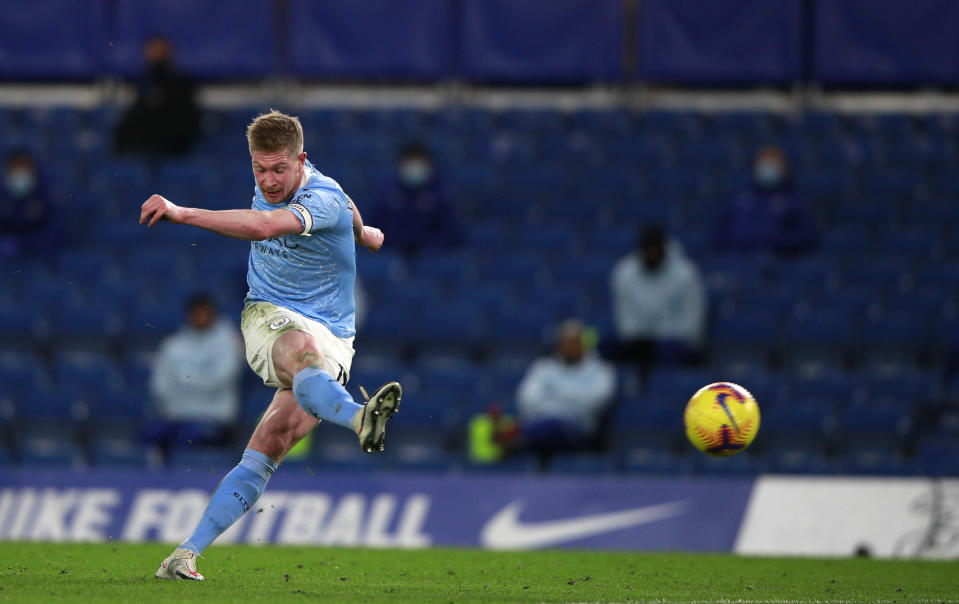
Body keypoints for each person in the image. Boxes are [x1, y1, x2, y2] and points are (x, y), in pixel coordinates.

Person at [139, 110, 401, 580]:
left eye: (279, 169)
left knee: (269, 446)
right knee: (300, 352)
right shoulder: (299, 183)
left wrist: (181, 212)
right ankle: (360, 418)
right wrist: (364, 233)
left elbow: (269, 225)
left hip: (336, 338)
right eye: (259, 170)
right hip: (268, 313)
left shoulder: (321, 197)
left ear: (302, 161)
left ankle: (183, 554)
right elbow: (344, 201)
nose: (269, 180)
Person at [146, 294, 244, 462]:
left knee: (192, 437)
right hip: (176, 418)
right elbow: (160, 387)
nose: (200, 317)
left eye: (204, 312)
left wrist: (183, 383)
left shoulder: (229, 343)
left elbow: (218, 381)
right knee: (149, 433)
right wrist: (195, 384)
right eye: (196, 313)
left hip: (215, 420)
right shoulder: (173, 345)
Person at [610, 225, 707, 381]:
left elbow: (692, 324)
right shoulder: (624, 273)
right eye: (647, 249)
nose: (651, 254)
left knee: (673, 354)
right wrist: (643, 340)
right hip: (639, 343)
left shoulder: (686, 274)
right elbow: (625, 323)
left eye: (655, 248)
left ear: (664, 248)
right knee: (608, 349)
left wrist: (662, 339)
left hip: (676, 342)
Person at [515, 319, 616, 467]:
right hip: (541, 422)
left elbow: (596, 402)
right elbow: (526, 400)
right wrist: (571, 400)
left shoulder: (601, 370)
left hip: (579, 430)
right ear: (559, 343)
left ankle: (517, 440)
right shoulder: (543, 368)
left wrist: (553, 397)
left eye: (575, 342)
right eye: (566, 342)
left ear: (583, 343)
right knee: (548, 426)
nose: (571, 347)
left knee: (552, 427)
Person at [711, 145, 818, 256]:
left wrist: (774, 240)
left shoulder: (794, 201)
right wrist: (741, 239)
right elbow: (718, 234)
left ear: (783, 168)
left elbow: (807, 236)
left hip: (779, 263)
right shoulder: (741, 199)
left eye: (773, 164)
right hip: (739, 262)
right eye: (764, 164)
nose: (768, 168)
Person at [369, 142, 462, 258]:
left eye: (419, 162)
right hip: (392, 255)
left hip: (431, 257)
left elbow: (452, 233)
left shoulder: (441, 194)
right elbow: (373, 229)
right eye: (410, 162)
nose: (414, 167)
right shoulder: (387, 193)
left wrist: (426, 246)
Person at [114, 36, 200, 156]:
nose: (154, 56)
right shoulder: (141, 86)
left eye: (159, 52)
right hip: (140, 149)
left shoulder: (181, 85)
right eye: (151, 52)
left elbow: (185, 123)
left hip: (171, 149)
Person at [0, 151, 57, 259]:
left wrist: (25, 245)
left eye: (24, 169)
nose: (20, 174)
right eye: (15, 169)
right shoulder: (2, 197)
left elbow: (54, 229)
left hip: (38, 256)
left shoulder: (45, 198)